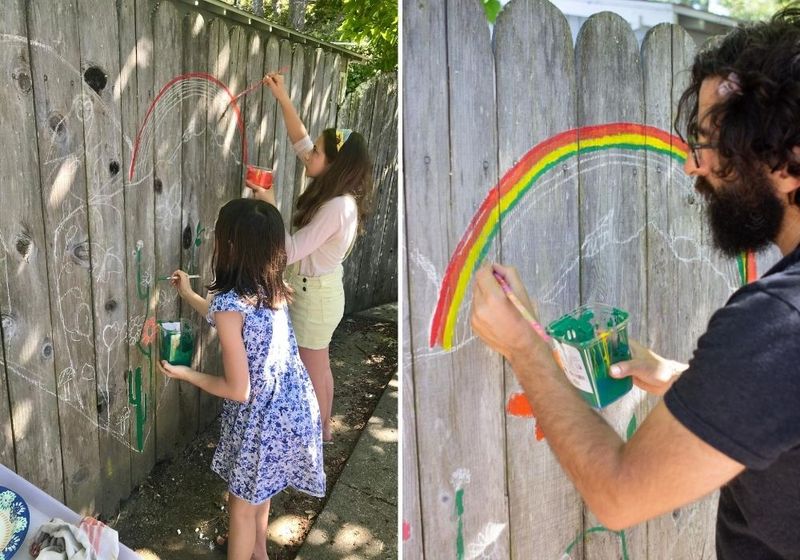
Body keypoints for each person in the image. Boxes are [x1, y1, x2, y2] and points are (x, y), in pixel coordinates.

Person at [471, 7, 800, 559]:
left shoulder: (776, 322)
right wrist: (687, 382)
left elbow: (620, 494)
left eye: (710, 142)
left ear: (788, 160)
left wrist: (525, 348)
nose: (694, 167)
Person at [157, 199, 325, 560]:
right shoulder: (269, 286)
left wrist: (187, 374)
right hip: (292, 411)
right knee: (257, 495)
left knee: (240, 506)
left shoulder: (233, 302)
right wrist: (189, 295)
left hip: (264, 421)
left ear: (229, 247)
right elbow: (227, 320)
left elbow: (237, 389)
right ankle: (258, 552)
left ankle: (246, 550)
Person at [245, 71, 374, 443]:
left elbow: (288, 251)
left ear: (333, 165)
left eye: (317, 153)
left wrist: (268, 205)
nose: (309, 155)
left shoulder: (337, 206)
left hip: (314, 298)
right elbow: (300, 140)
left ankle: (316, 438)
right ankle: (321, 430)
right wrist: (282, 98)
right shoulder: (336, 188)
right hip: (319, 290)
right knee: (319, 365)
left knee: (312, 367)